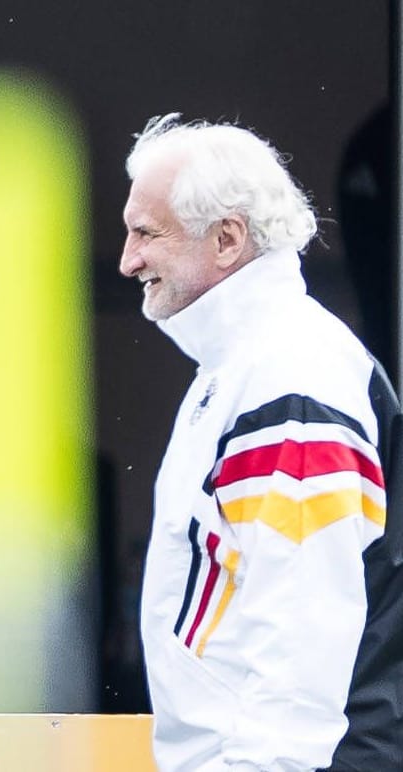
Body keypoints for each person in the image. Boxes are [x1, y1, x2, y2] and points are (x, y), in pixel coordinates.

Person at [121, 114, 403, 771]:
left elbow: (301, 634)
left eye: (145, 234)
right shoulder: (247, 366)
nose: (127, 260)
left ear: (226, 239)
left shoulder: (289, 379)